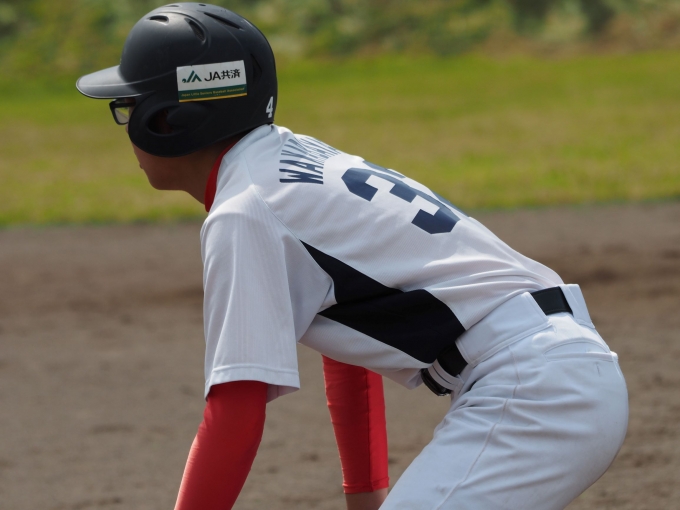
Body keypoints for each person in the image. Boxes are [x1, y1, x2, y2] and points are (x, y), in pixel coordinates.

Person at [76, 4, 629, 509]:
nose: (126, 124)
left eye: (130, 107)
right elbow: (347, 345)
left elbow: (235, 413)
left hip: (533, 394)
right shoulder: (289, 161)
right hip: (554, 374)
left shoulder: (246, 211)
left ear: (170, 120)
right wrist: (366, 497)